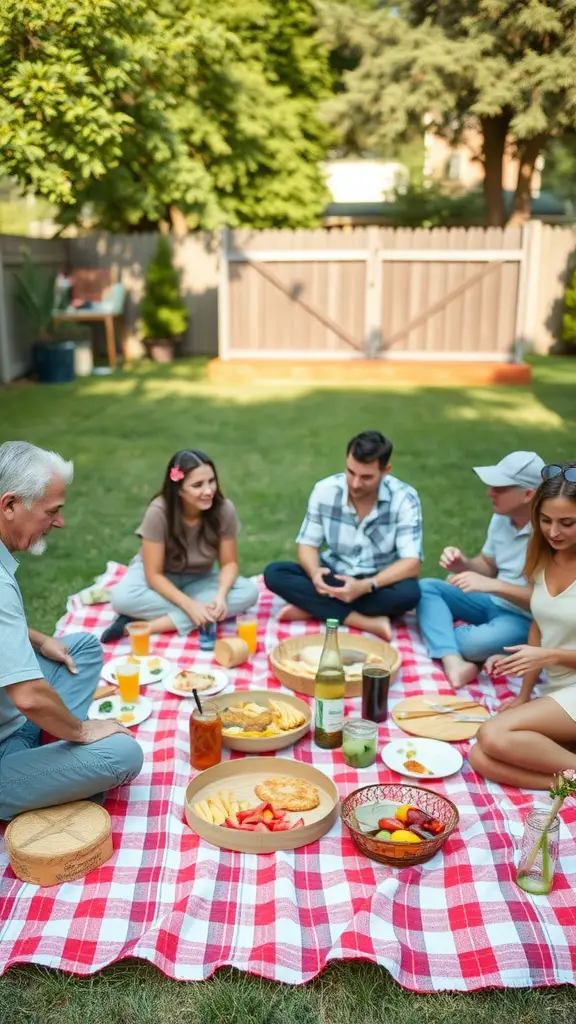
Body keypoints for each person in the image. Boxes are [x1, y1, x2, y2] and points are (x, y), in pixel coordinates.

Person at [0, 441, 143, 821]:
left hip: (12, 720)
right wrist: (80, 732)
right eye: (52, 511)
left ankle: (47, 763)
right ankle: (43, 778)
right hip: (6, 738)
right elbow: (29, 696)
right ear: (10, 505)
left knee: (79, 647)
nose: (59, 522)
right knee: (124, 754)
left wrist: (39, 637)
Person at [470, 463, 576, 790]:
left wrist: (548, 657)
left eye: (567, 523)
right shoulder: (544, 555)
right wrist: (524, 694)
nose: (553, 532)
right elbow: (538, 623)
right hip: (558, 689)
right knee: (480, 757)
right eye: (545, 521)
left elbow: (544, 650)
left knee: (493, 733)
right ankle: (570, 781)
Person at [263, 431, 421, 640]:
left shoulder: (404, 498)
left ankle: (314, 607)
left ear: (385, 471)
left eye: (366, 477)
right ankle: (363, 620)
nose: (355, 483)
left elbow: (412, 562)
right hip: (334, 575)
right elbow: (307, 544)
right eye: (350, 472)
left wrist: (366, 585)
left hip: (377, 583)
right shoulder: (325, 490)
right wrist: (314, 573)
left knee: (409, 594)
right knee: (275, 573)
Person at [417, 451, 544, 690]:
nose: (490, 492)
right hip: (491, 601)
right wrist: (462, 564)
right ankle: (453, 661)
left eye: (500, 488)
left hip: (526, 619)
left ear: (528, 494)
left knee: (471, 645)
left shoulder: (552, 534)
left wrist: (494, 585)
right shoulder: (502, 518)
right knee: (427, 588)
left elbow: (546, 604)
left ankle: (454, 646)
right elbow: (487, 565)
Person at [104, 449, 258, 640]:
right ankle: (199, 613)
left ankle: (147, 626)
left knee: (249, 592)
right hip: (157, 579)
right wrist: (189, 605)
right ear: (178, 489)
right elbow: (153, 575)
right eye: (197, 485)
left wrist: (220, 595)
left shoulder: (224, 510)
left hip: (198, 579)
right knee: (122, 597)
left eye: (211, 481)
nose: (208, 491)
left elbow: (229, 563)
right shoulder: (158, 511)